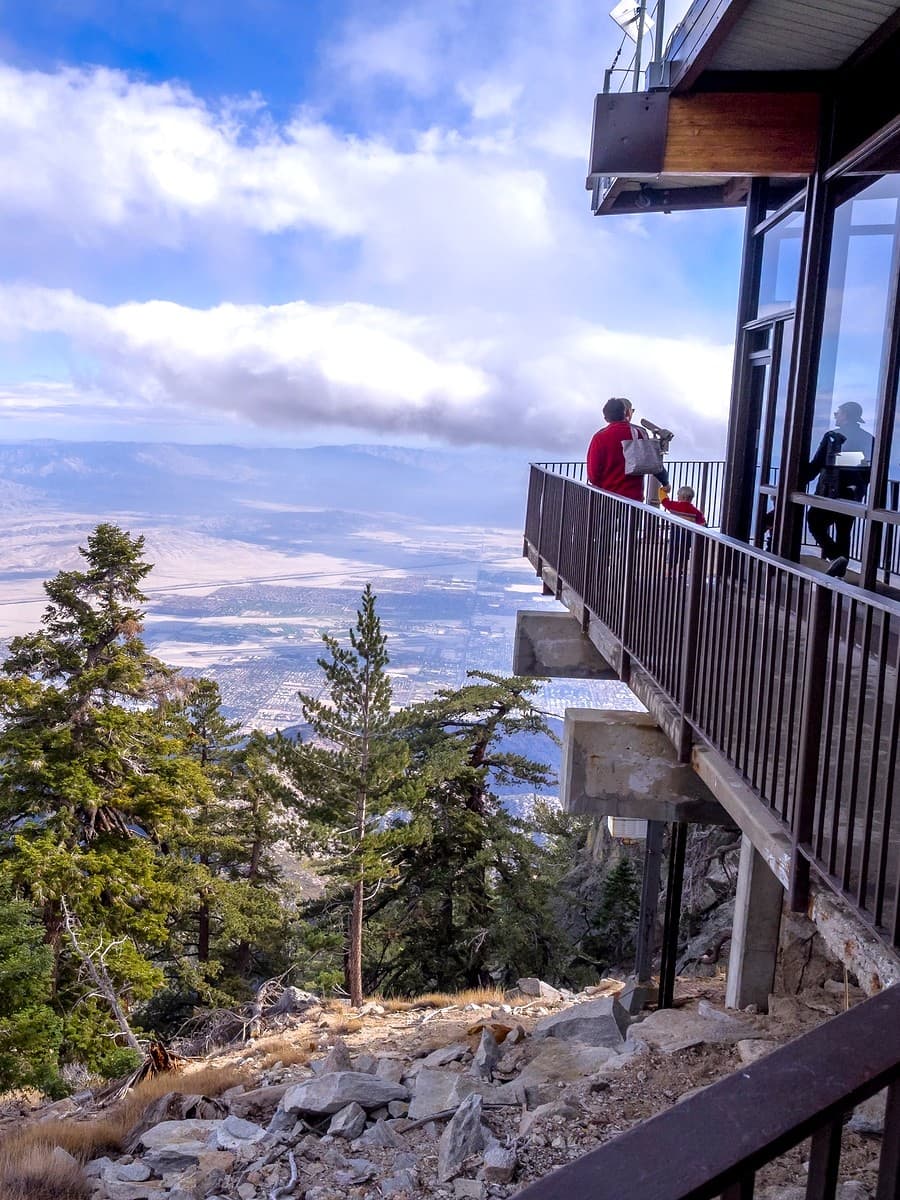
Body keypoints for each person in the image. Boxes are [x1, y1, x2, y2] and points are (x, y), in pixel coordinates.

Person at [803, 401, 874, 578]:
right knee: (844, 530)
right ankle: (839, 570)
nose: (835, 415)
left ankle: (835, 558)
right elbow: (869, 466)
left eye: (838, 413)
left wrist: (800, 479)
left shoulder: (832, 436)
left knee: (814, 521)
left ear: (846, 415)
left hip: (829, 492)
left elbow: (818, 463)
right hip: (852, 493)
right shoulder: (868, 438)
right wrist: (858, 485)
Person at [586, 397, 668, 499]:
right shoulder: (639, 433)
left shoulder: (599, 437)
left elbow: (593, 476)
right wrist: (665, 482)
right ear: (626, 413)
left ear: (606, 418)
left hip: (607, 497)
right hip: (634, 499)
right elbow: (653, 463)